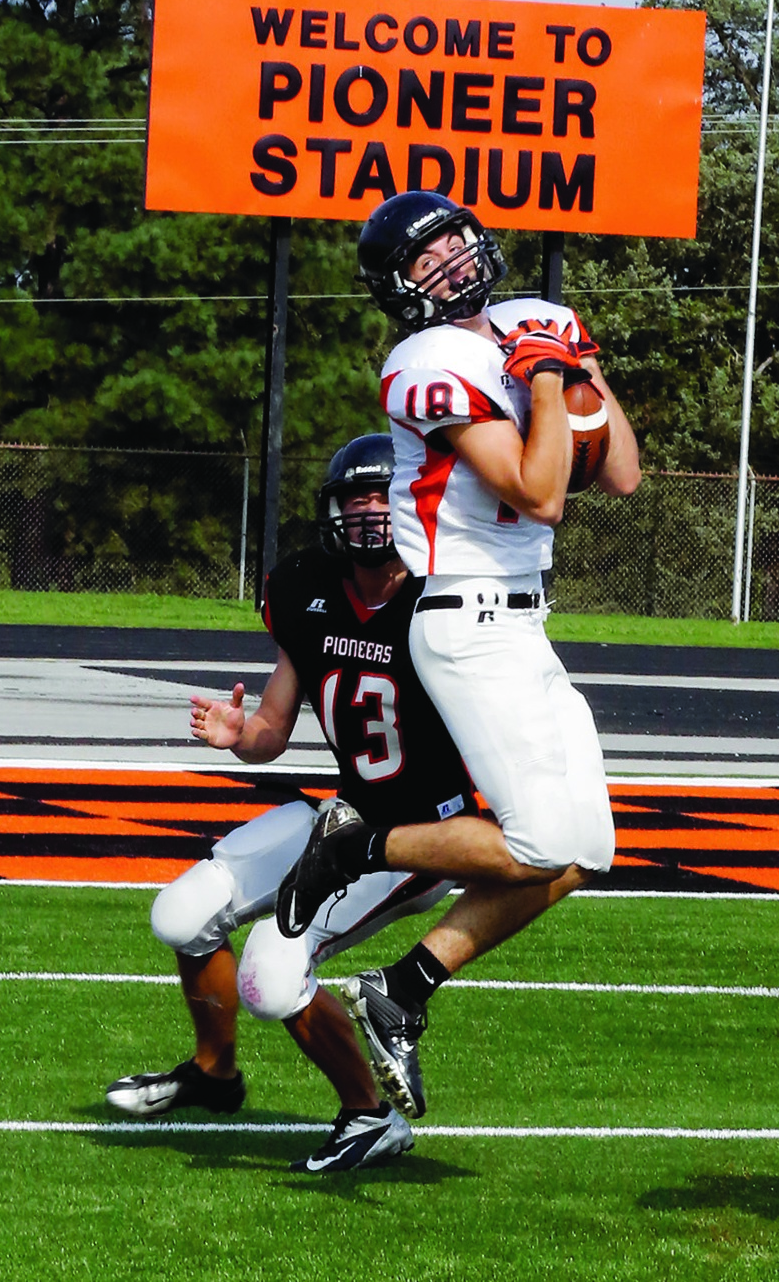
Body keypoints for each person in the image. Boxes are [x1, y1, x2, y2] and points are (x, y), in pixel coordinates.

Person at [272, 191, 641, 1124]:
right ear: (398, 290)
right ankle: (359, 842)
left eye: (450, 244)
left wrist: (582, 367)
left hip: (523, 621)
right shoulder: (424, 362)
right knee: (538, 841)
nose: (447, 264)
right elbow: (541, 492)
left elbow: (622, 471)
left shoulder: (529, 325)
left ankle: (406, 983)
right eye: (422, 259)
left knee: (584, 849)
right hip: (465, 618)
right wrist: (549, 385)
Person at [105, 434, 469, 1173]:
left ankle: (371, 1117)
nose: (369, 515)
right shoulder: (308, 587)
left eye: (382, 498)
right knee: (180, 914)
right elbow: (274, 727)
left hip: (419, 836)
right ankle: (215, 1073)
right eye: (355, 501)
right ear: (331, 511)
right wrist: (242, 735)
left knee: (271, 976)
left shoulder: (448, 598)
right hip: (343, 814)